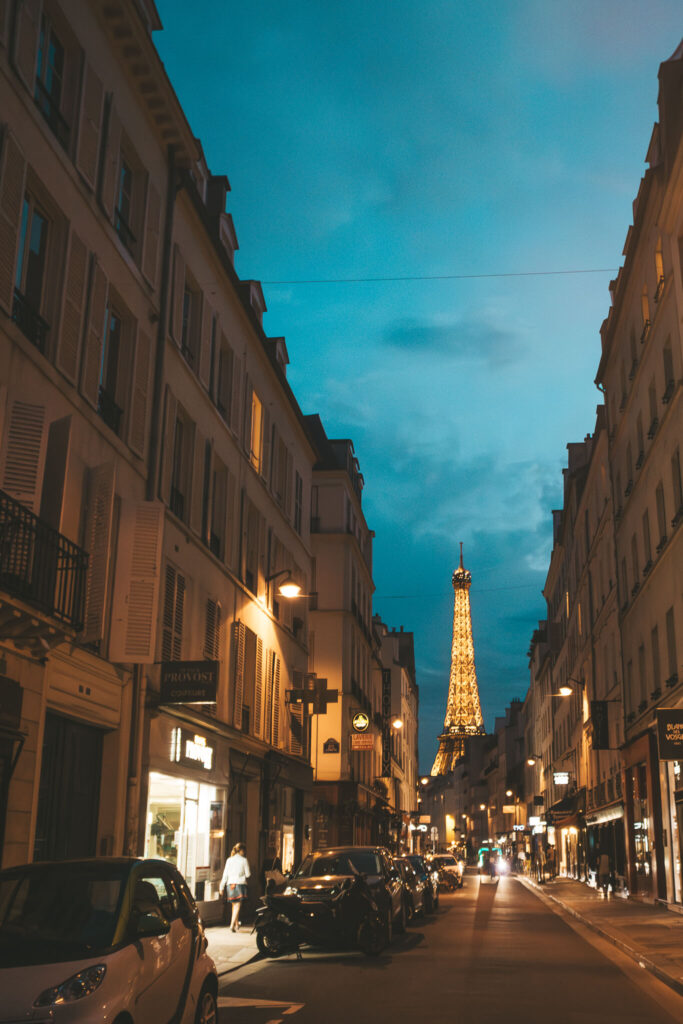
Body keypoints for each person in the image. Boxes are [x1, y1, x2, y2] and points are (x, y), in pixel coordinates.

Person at [220, 843, 251, 931]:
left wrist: (221, 887)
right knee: (237, 905)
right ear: (242, 850)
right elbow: (248, 874)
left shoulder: (229, 860)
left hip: (230, 885)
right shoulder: (244, 860)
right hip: (240, 884)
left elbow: (225, 874)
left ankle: (236, 924)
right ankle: (232, 924)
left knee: (234, 905)